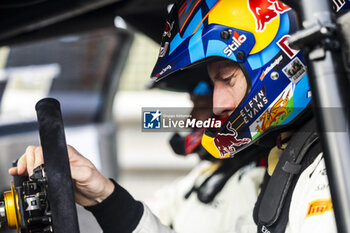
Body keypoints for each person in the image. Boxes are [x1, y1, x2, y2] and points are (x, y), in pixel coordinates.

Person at [8, 0, 350, 232]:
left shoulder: (332, 169)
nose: (216, 105)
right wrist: (103, 195)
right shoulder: (294, 159)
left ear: (280, 62)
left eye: (226, 79)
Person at [146, 81, 268, 233]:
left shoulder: (256, 177)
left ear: (225, 110)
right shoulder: (208, 169)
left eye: (199, 106)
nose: (189, 118)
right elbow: (157, 206)